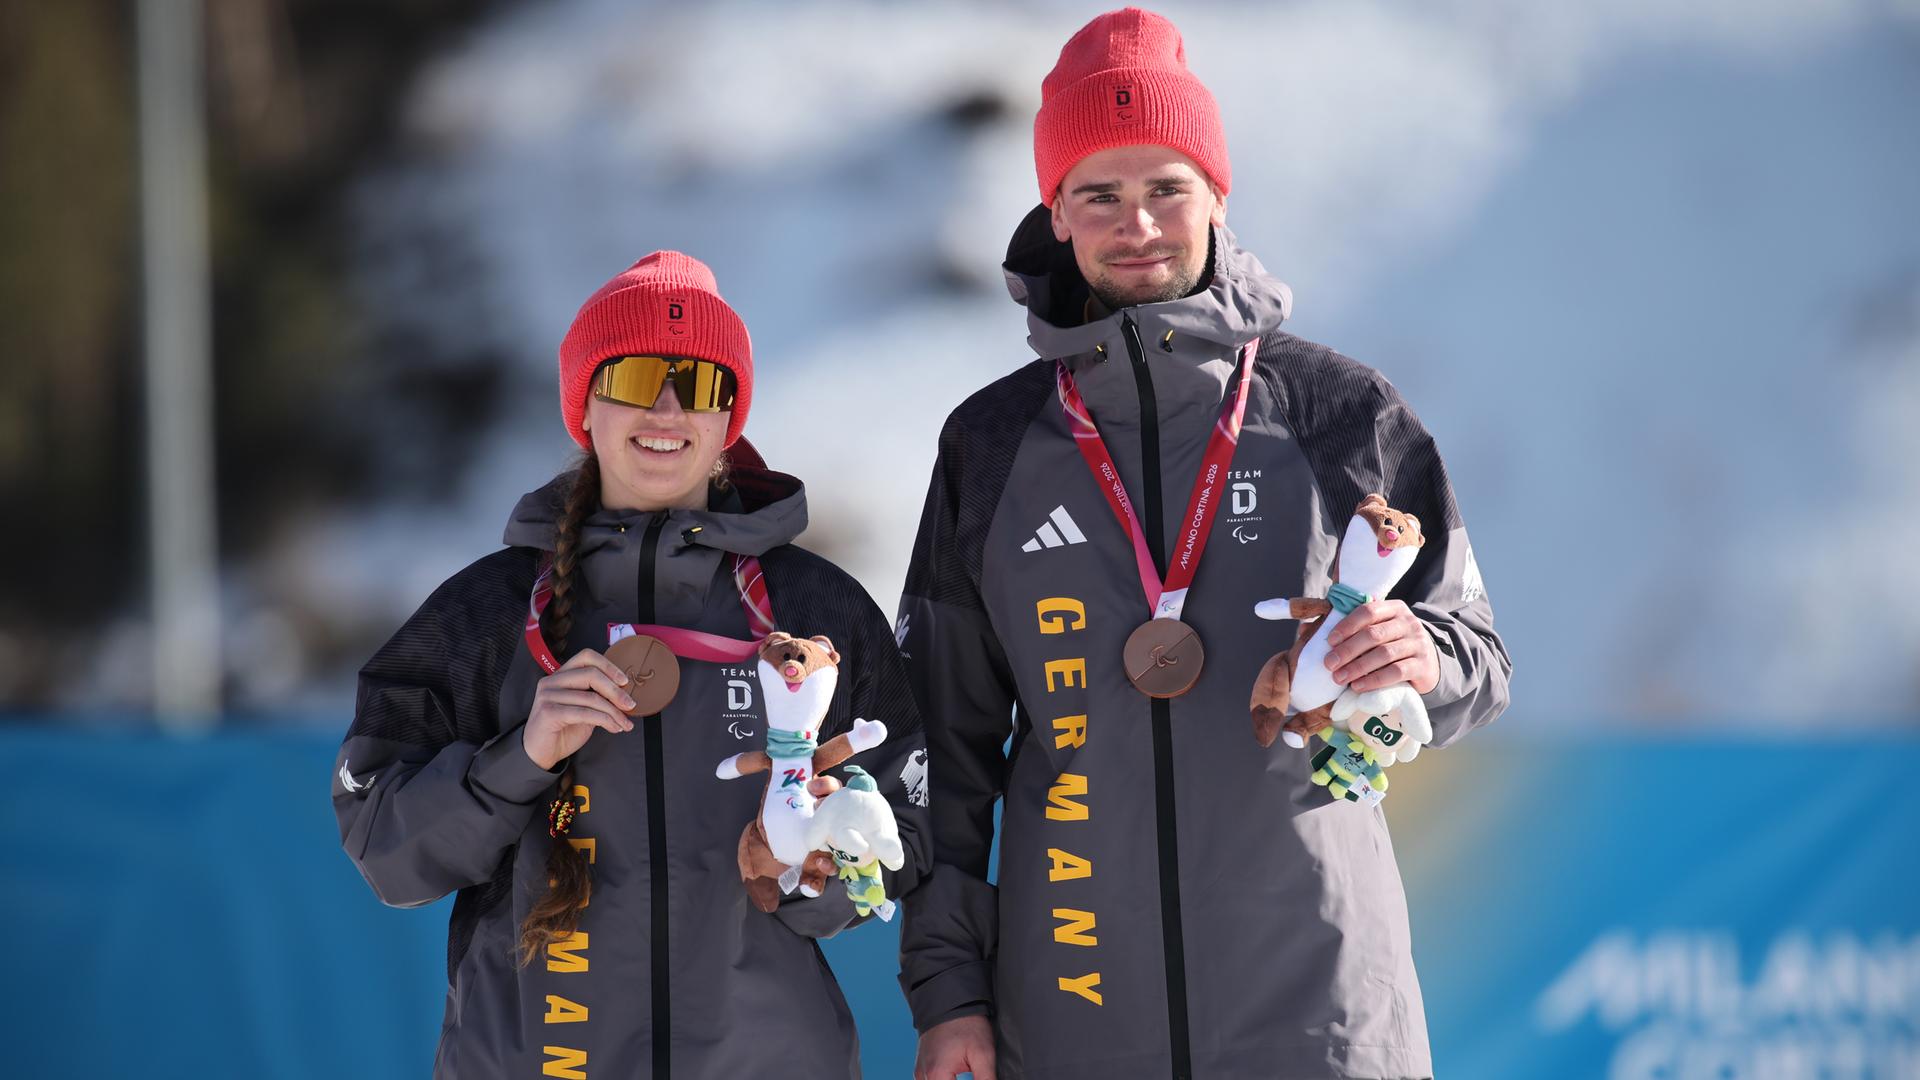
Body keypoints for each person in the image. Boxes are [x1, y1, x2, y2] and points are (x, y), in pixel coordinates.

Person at [897, 9, 1511, 1079]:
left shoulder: (1337, 411)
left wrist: (1425, 656)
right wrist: (951, 994)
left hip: (1320, 1003)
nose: (1136, 224)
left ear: (1218, 197)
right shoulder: (990, 445)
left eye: (1166, 188)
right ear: (1056, 209)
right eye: (1100, 193)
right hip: (1078, 1009)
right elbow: (942, 751)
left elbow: (1478, 657)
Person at [332, 251, 930, 1078]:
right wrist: (521, 758)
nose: (668, 407)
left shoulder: (814, 610)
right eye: (639, 373)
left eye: (702, 383)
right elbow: (386, 850)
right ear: (587, 402)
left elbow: (906, 831)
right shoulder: (488, 612)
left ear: (731, 415)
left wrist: (817, 867)